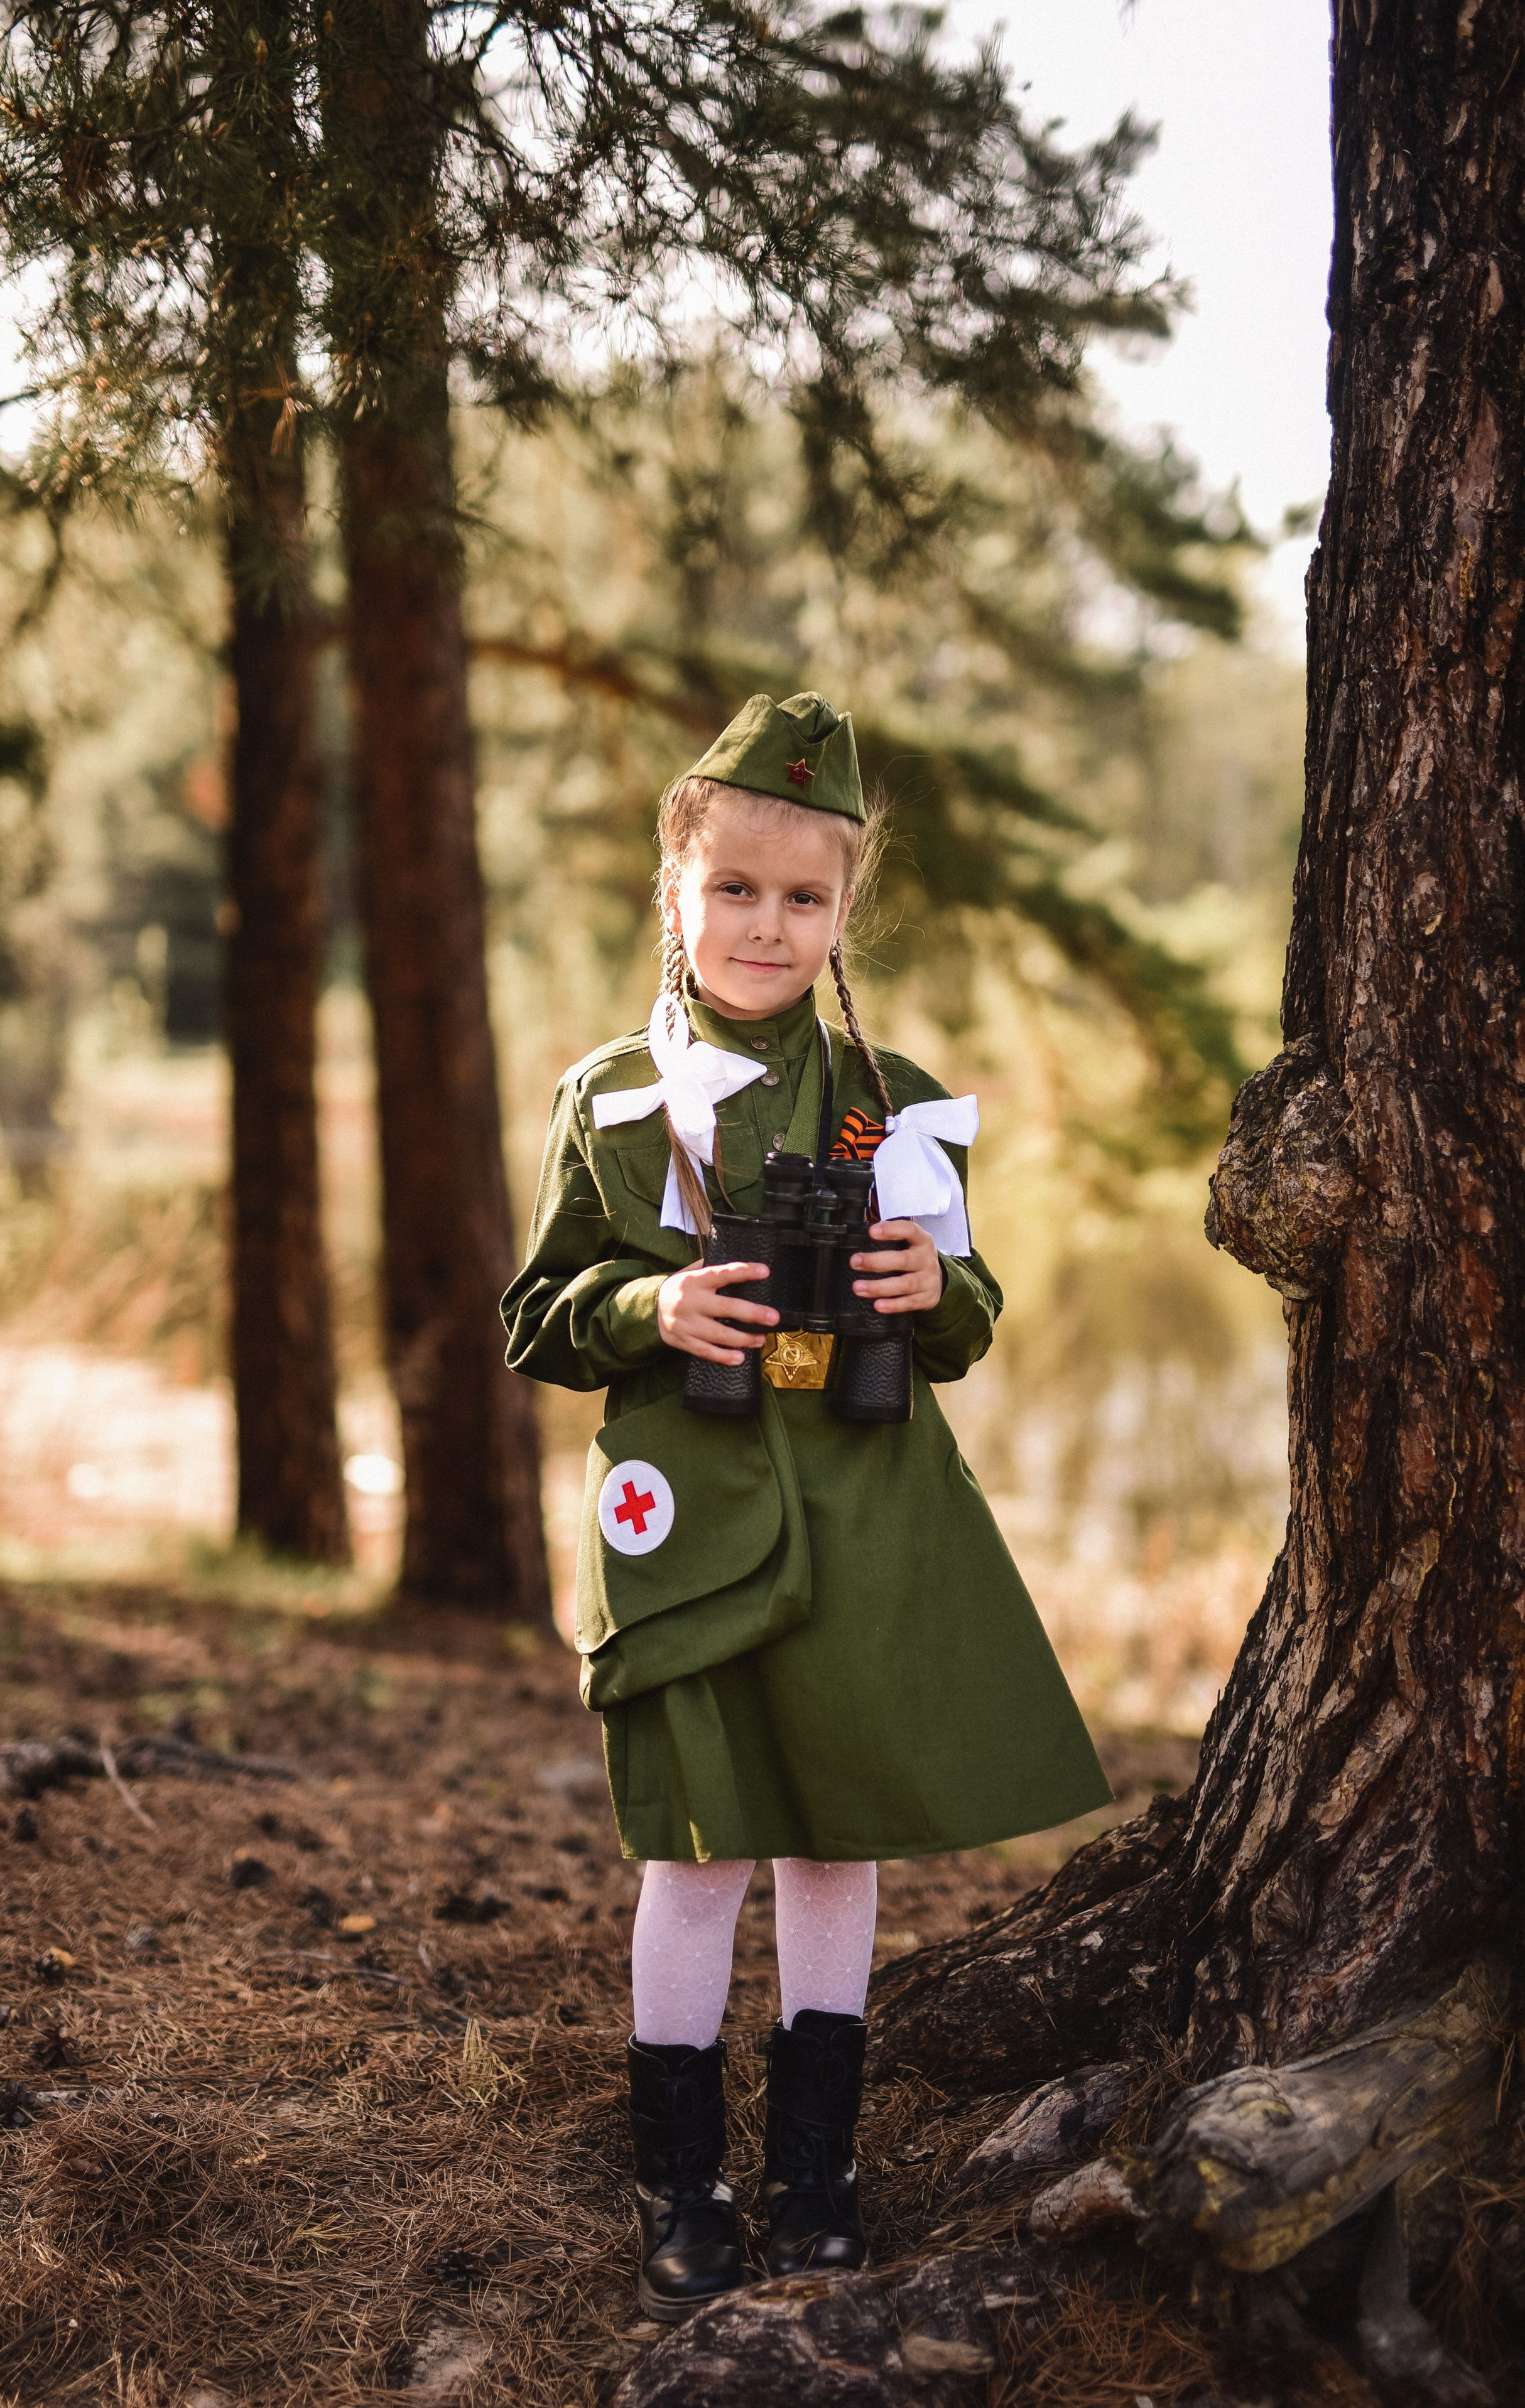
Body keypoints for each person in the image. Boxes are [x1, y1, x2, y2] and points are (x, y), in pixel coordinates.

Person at [501, 691, 1110, 2322]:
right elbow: (537, 1311)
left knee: (836, 1853)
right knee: (696, 1855)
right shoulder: (616, 1102)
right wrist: (652, 1313)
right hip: (686, 1537)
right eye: (735, 889)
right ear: (676, 893)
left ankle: (815, 2178)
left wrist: (932, 1279)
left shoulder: (890, 1099)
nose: (767, 925)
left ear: (846, 909)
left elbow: (972, 1323)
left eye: (805, 896)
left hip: (855, 1536)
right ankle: (684, 2180)